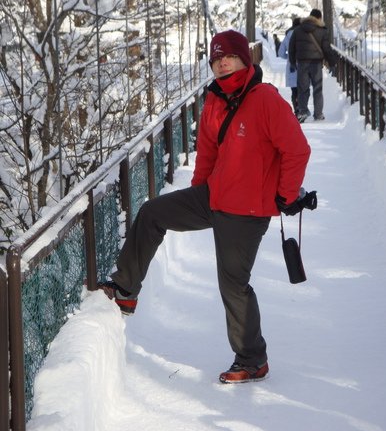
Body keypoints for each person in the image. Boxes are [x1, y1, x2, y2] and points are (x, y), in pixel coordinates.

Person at [100, 29, 313, 384]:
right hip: (214, 197)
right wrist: (197, 196)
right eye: (215, 59)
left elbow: (297, 150)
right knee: (153, 212)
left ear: (245, 58)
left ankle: (252, 360)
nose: (221, 63)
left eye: (227, 56)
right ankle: (125, 290)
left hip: (247, 211)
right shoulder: (214, 99)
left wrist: (285, 196)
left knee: (232, 283)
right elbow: (209, 154)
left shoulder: (266, 99)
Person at [288, 8, 337, 123]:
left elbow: (291, 47)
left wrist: (292, 62)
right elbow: (326, 49)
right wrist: (332, 63)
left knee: (302, 89)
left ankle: (303, 111)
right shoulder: (322, 30)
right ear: (319, 18)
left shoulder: (298, 30)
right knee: (317, 89)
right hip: (316, 63)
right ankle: (318, 114)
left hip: (302, 63)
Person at [278, 17, 301, 115]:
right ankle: (301, 108)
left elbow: (280, 52)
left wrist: (288, 57)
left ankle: (296, 109)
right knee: (302, 89)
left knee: (294, 90)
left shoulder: (288, 35)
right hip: (302, 64)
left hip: (291, 65)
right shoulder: (304, 33)